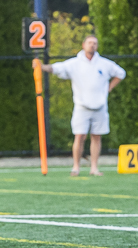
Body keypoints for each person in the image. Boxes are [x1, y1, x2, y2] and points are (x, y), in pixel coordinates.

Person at [37, 35, 125, 176]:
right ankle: (76, 167)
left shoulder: (104, 64)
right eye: (90, 43)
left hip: (100, 106)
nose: (92, 45)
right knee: (80, 136)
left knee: (97, 137)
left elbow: (121, 73)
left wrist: (109, 88)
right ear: (83, 45)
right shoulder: (74, 64)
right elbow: (57, 68)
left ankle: (94, 168)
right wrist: (41, 67)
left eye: (95, 43)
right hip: (82, 106)